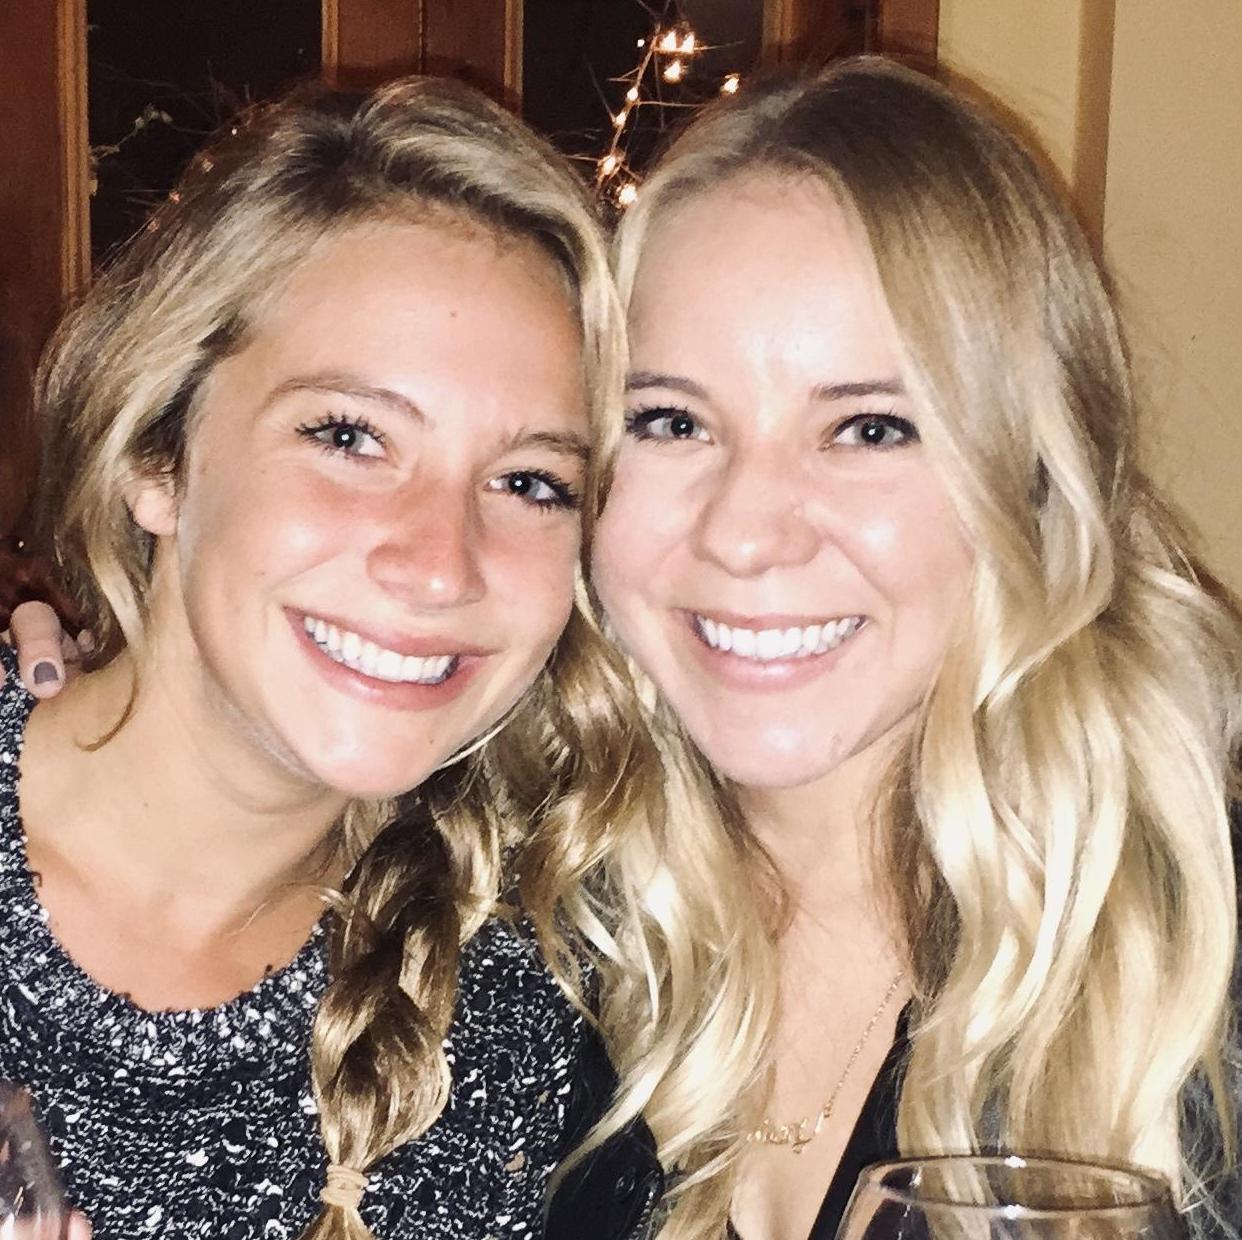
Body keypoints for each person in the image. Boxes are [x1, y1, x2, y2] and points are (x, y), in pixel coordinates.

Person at [577, 58, 1242, 1240]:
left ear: (1031, 475)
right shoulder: (535, 925)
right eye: (671, 419)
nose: (744, 532)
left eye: (869, 428)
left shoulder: (1202, 958)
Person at [0, 74, 660, 1240]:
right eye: (350, 436)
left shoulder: (552, 1013)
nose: (441, 564)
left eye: (528, 482)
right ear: (157, 455)